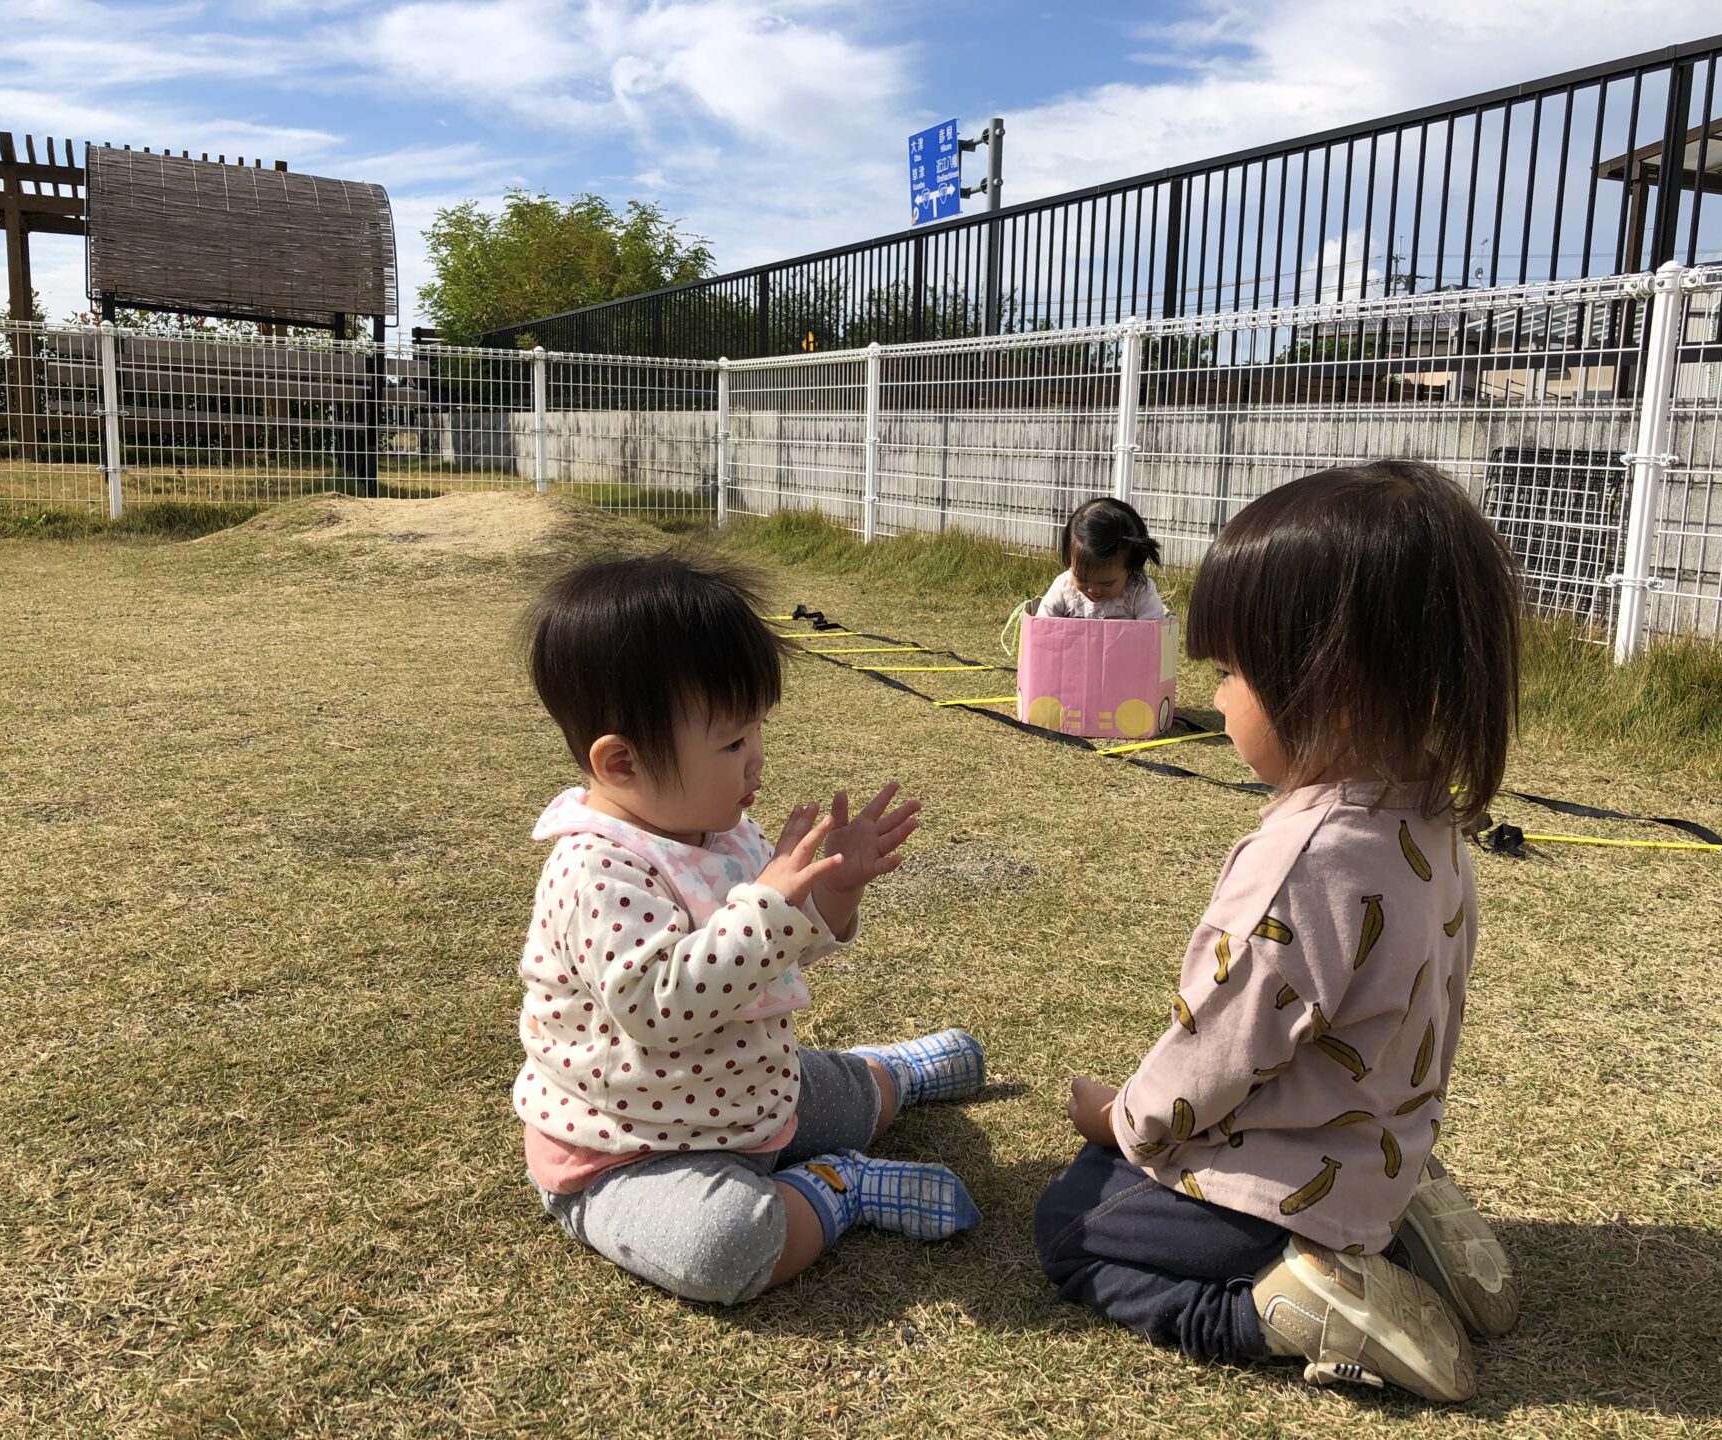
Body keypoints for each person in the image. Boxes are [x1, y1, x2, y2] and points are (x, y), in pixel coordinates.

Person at [1033, 460, 1525, 1403]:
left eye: (1230, 673)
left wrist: (1118, 1120)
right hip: (1374, 1155)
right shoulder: (1429, 821)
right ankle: (1397, 1220)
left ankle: (1284, 1301)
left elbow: (1217, 1047)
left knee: (1068, 1220)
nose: (1215, 699)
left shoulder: (1302, 857)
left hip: (1271, 1194)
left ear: (1327, 685)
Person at [515, 552, 985, 1306]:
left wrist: (831, 894)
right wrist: (765, 905)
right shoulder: (594, 871)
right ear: (622, 760)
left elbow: (772, 948)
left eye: (757, 730)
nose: (756, 759)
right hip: (631, 1151)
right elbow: (659, 1008)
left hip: (752, 1095)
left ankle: (889, 1075)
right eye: (733, 742)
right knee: (724, 1244)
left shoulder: (715, 828)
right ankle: (840, 1188)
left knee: (835, 1096)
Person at [1036, 496, 1168, 620]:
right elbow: (1042, 625)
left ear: (1130, 568)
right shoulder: (1064, 588)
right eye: (1081, 579)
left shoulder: (1139, 592)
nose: (1093, 590)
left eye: (1107, 584)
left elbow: (1153, 632)